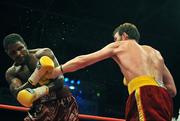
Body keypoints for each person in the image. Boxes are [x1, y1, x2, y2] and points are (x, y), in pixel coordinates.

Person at [45, 23, 177, 120]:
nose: (114, 41)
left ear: (124, 35)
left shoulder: (121, 45)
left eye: (115, 38)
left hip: (144, 93)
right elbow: (172, 90)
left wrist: (57, 71)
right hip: (164, 99)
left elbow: (82, 60)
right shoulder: (155, 53)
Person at [3, 33, 79, 121]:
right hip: (39, 107)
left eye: (20, 48)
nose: (18, 54)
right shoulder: (12, 72)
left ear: (25, 44)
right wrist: (36, 76)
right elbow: (19, 95)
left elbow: (60, 81)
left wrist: (38, 91)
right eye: (13, 52)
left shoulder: (43, 53)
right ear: (7, 53)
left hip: (62, 101)